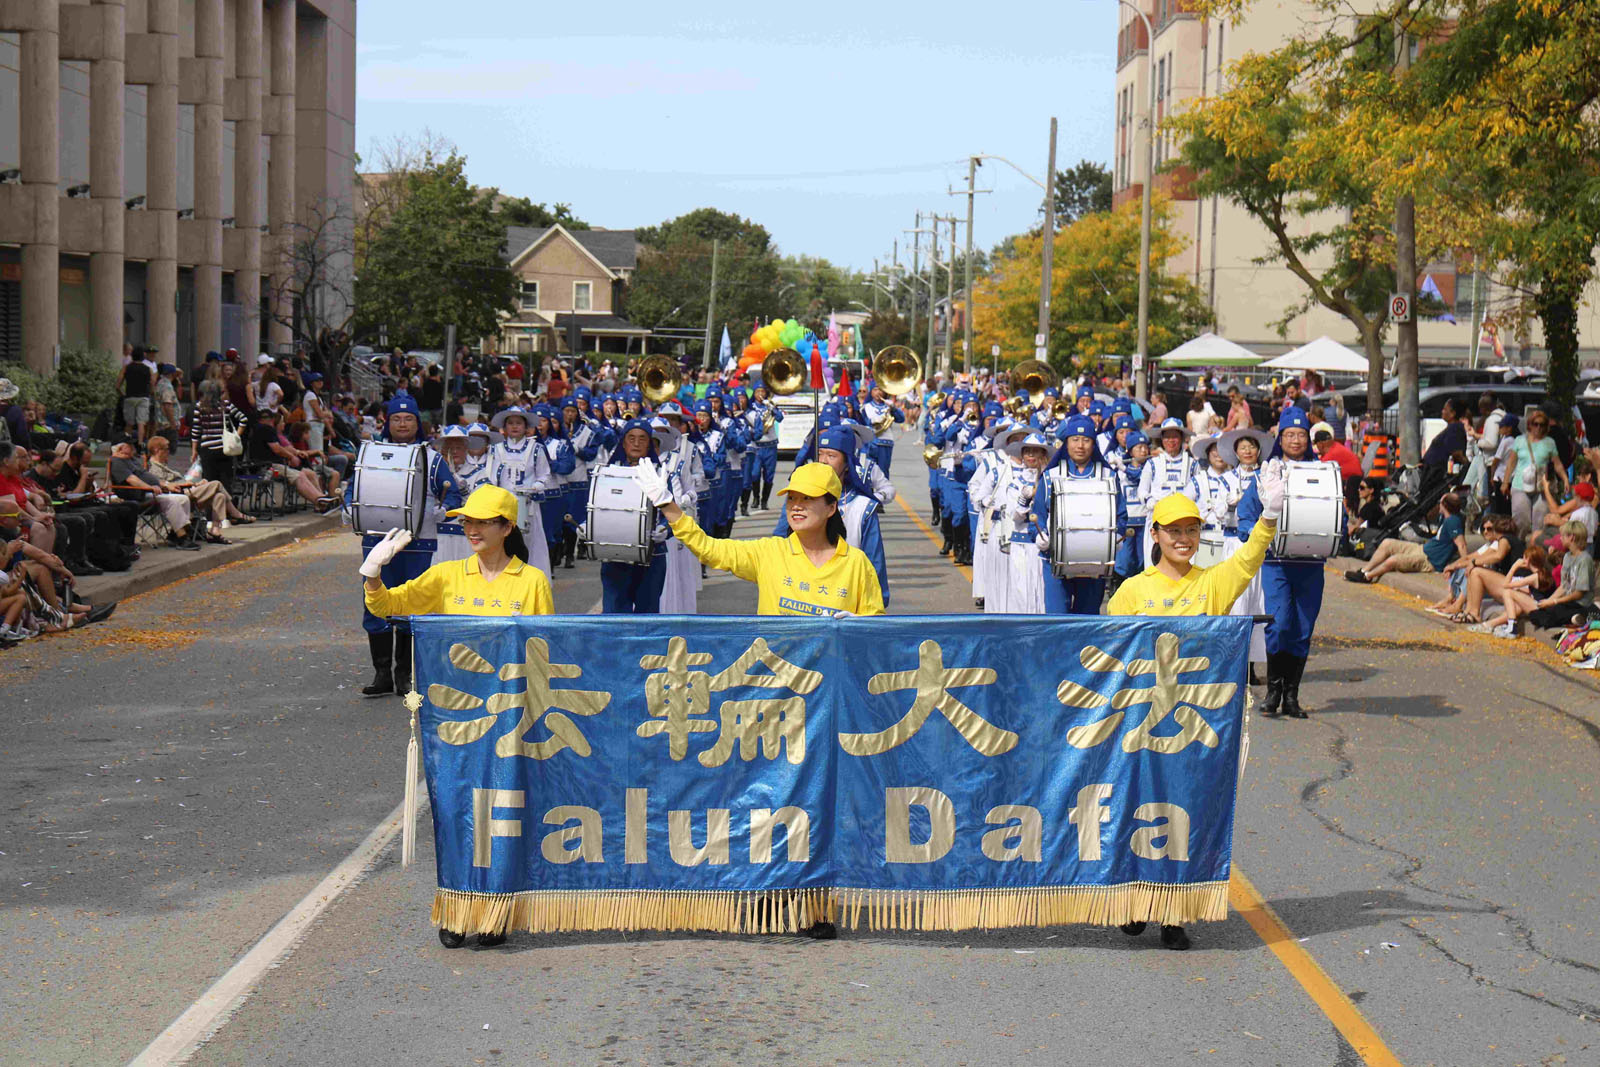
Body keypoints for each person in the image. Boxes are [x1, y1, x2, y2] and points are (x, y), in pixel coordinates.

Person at [1106, 474, 1284, 951]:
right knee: (1136, 811)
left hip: (1194, 723)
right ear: (1156, 535)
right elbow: (1109, 655)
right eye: (1173, 531)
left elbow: (1247, 559)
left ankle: (1175, 914)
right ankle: (1133, 900)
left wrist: (1268, 516)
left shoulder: (1211, 584)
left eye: (1191, 531)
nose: (1183, 539)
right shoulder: (1131, 592)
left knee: (1187, 814)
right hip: (1141, 721)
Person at [637, 459, 885, 617]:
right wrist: (667, 505)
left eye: (807, 498)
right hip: (777, 679)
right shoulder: (769, 553)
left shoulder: (856, 564)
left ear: (831, 508)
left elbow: (877, 629)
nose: (797, 506)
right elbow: (707, 548)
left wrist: (859, 627)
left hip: (832, 678)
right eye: (792, 498)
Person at [1237, 406, 1333, 719]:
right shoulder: (1268, 472)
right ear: (1281, 438)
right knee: (1278, 625)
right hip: (1276, 562)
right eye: (1289, 434)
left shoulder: (1323, 473)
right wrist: (1252, 534)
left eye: (1301, 435)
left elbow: (1336, 511)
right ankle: (1273, 692)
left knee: (1303, 628)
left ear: (1308, 438)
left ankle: (1292, 696)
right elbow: (1246, 512)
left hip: (1310, 563)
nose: (1295, 440)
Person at [772, 426, 889, 608]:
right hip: (798, 594)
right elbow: (779, 541)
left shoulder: (863, 507)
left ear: (847, 462)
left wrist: (877, 604)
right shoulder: (798, 497)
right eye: (820, 454)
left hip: (843, 598)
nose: (823, 461)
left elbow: (874, 563)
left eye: (831, 456)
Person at [1027, 415, 1127, 615]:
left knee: (1087, 618)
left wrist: (1116, 537)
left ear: (1093, 444)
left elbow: (1121, 515)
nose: (1080, 445)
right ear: (1066, 443)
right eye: (1075, 439)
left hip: (1095, 561)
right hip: (1054, 560)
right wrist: (1040, 535)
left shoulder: (1108, 476)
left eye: (1086, 440)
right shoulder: (1051, 476)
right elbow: (1037, 515)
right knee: (1057, 618)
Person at [597, 420, 689, 614]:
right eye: (631, 438)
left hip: (652, 556)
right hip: (615, 554)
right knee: (614, 615)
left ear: (649, 444)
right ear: (623, 443)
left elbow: (673, 512)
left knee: (647, 615)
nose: (636, 443)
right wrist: (585, 526)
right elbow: (593, 506)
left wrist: (665, 529)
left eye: (642, 439)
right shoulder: (607, 472)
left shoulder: (661, 474)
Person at [1491, 521, 1594, 636]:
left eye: (1563, 536)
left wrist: (1554, 601)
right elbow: (1564, 586)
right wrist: (1550, 601)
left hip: (1579, 604)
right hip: (1566, 603)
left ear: (1572, 537)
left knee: (1546, 616)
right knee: (1539, 615)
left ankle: (1575, 617)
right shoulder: (1568, 557)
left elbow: (1579, 593)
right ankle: (1572, 618)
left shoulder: (1584, 559)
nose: (1560, 538)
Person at [1346, 493, 1466, 583]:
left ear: (1445, 505)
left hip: (1430, 561)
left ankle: (1367, 577)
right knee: (1387, 543)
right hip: (1423, 549)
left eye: (1441, 502)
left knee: (1394, 560)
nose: (1439, 504)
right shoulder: (1445, 517)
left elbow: (1461, 544)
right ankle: (1364, 570)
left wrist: (1466, 563)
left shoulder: (1453, 521)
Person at [145, 435, 250, 538]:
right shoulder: (153, 468)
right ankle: (235, 514)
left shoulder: (163, 465)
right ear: (157, 450)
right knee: (216, 484)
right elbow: (163, 484)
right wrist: (187, 484)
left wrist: (196, 484)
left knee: (219, 496)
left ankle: (215, 531)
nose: (169, 452)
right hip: (178, 495)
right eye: (167, 449)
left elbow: (181, 481)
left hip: (189, 491)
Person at [1501, 409, 1559, 535]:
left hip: (1541, 485)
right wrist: (1505, 482)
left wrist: (1565, 479)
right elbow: (1511, 463)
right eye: (1535, 424)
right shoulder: (1519, 440)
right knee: (1521, 520)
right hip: (1520, 484)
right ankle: (1519, 544)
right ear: (1529, 425)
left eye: (1542, 424)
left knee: (1541, 520)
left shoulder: (1550, 442)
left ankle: (1537, 545)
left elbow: (1557, 464)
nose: (1538, 427)